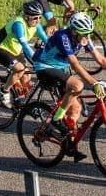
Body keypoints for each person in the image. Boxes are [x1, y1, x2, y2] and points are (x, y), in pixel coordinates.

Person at [33, 11, 106, 161]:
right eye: (84, 34)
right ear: (74, 31)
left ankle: (69, 145)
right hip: (45, 67)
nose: (87, 38)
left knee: (76, 108)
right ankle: (56, 119)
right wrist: (94, 83)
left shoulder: (84, 38)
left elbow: (101, 60)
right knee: (77, 85)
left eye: (89, 34)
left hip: (61, 69)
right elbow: (75, 64)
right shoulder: (63, 37)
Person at [0, 1, 48, 107]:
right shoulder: (19, 24)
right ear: (26, 17)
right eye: (35, 18)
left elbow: (46, 40)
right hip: (1, 49)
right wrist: (37, 60)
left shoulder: (37, 25)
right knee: (19, 69)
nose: (38, 21)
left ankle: (20, 100)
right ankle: (3, 92)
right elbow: (25, 46)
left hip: (15, 51)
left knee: (27, 77)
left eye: (40, 17)